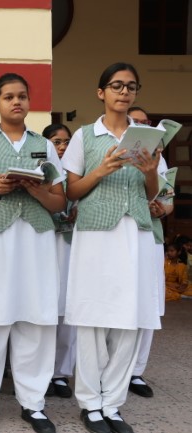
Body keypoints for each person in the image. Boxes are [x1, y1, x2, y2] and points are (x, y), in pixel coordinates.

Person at [61, 62, 161, 433]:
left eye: (131, 86)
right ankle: (90, 404)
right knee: (92, 319)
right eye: (117, 85)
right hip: (95, 235)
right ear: (101, 92)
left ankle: (113, 404)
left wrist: (149, 172)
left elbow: (152, 193)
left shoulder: (148, 136)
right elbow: (71, 191)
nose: (124, 92)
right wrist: (101, 170)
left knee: (130, 320)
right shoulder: (84, 137)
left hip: (134, 233)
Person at [0, 73, 65, 433]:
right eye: (8, 97)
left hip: (36, 239)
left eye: (22, 96)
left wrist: (37, 191)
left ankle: (33, 403)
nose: (16, 102)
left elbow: (59, 201)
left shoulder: (45, 145)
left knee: (36, 319)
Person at [126, 105, 173, 398]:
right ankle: (110, 370)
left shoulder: (160, 157)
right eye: (136, 121)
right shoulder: (112, 151)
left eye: (146, 122)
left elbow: (168, 201)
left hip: (150, 235)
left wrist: (162, 209)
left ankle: (136, 372)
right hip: (118, 233)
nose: (141, 125)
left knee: (149, 303)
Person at [42, 123, 76, 399]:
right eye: (56, 141)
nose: (62, 147)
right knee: (44, 310)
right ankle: (40, 372)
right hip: (44, 244)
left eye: (66, 141)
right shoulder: (41, 171)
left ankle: (61, 373)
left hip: (71, 247)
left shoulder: (78, 171)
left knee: (67, 311)